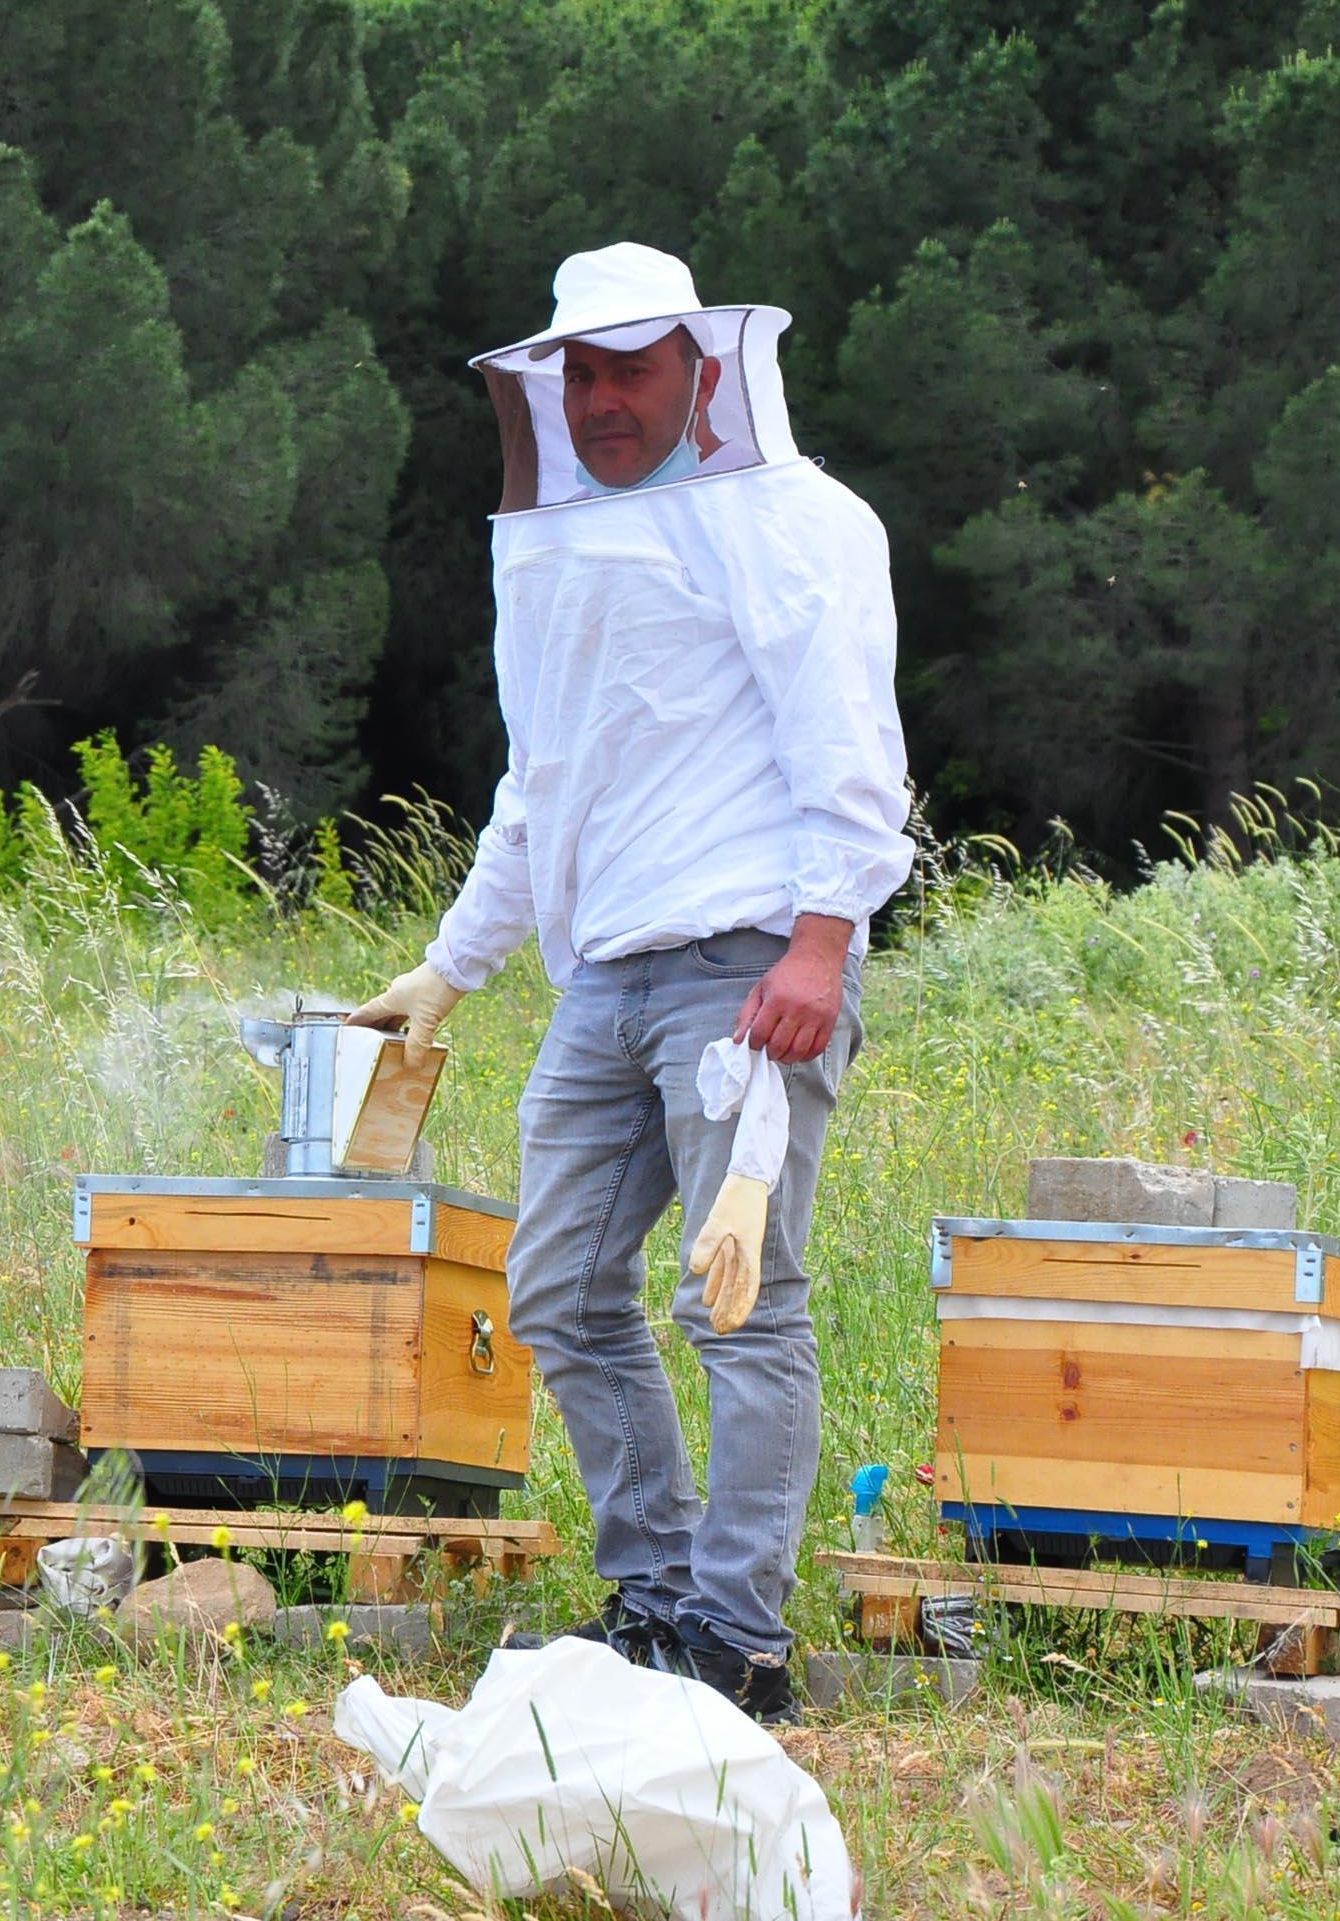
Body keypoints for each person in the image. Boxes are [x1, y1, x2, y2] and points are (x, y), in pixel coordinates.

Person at [352, 242, 912, 1724]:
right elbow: (544, 781)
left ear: (700, 370)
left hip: (749, 967)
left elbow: (849, 741)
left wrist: (821, 943)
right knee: (557, 1287)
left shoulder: (797, 518)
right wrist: (450, 967)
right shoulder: (561, 544)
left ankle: (739, 1638)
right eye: (582, 374)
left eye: (633, 370)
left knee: (740, 1300)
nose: (605, 400)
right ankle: (656, 1596)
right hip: (603, 978)